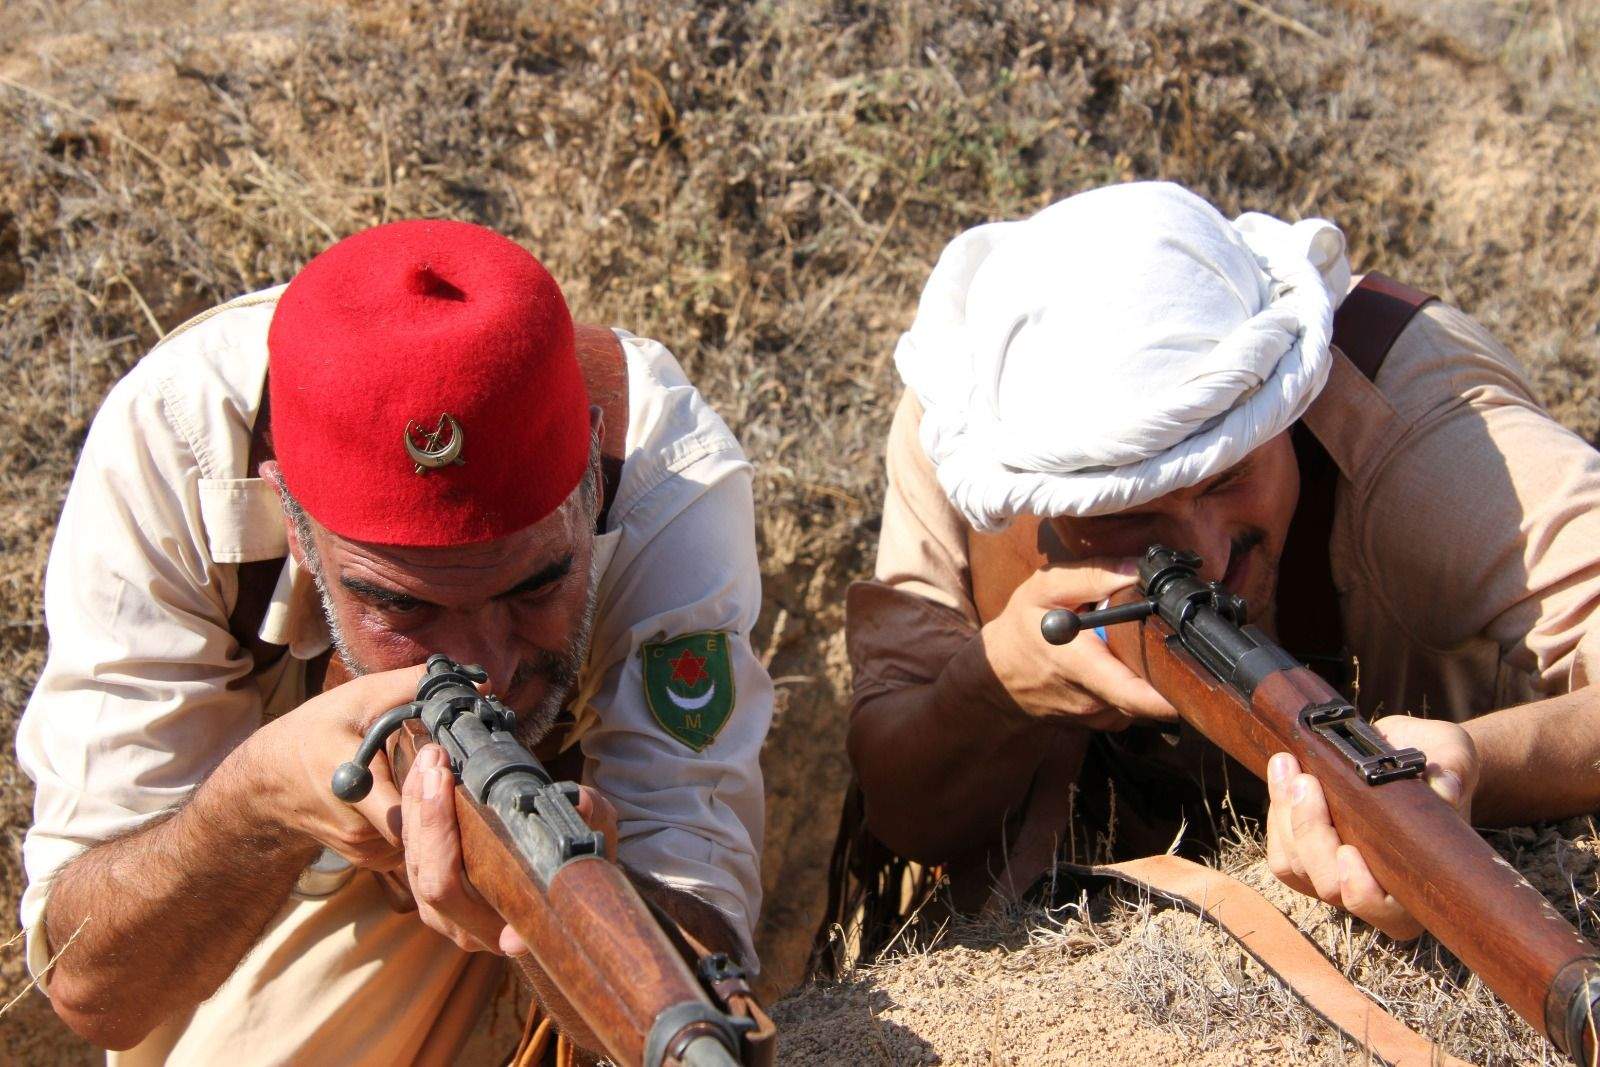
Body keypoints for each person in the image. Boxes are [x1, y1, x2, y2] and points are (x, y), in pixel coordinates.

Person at [17, 220, 773, 1063]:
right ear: (295, 528)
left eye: (532, 586)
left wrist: (561, 902)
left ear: (591, 480)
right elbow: (94, 985)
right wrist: (264, 793)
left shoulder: (670, 482)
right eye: (404, 610)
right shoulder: (176, 441)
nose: (487, 669)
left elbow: (713, 939)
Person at [843, 181, 1600, 943]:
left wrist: (1476, 762)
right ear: (1037, 494)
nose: (1203, 552)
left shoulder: (1420, 442)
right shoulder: (975, 431)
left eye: (1228, 477)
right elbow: (903, 810)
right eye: (1131, 514)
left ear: (1284, 407)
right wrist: (996, 685)